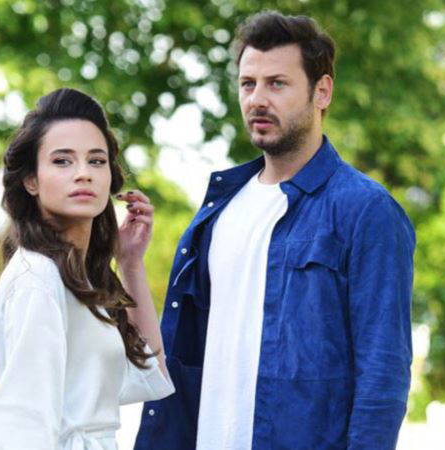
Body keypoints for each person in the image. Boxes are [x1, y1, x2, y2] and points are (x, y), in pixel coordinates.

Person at [135, 11, 416, 450]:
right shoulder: (218, 211)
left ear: (322, 91)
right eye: (248, 84)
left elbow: (383, 374)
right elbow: (183, 355)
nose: (257, 99)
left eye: (277, 84)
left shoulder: (366, 211)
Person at [0, 87, 174, 450]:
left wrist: (130, 263)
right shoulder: (37, 278)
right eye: (62, 161)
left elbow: (151, 371)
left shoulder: (77, 279)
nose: (83, 173)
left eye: (96, 161)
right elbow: (22, 427)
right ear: (31, 180)